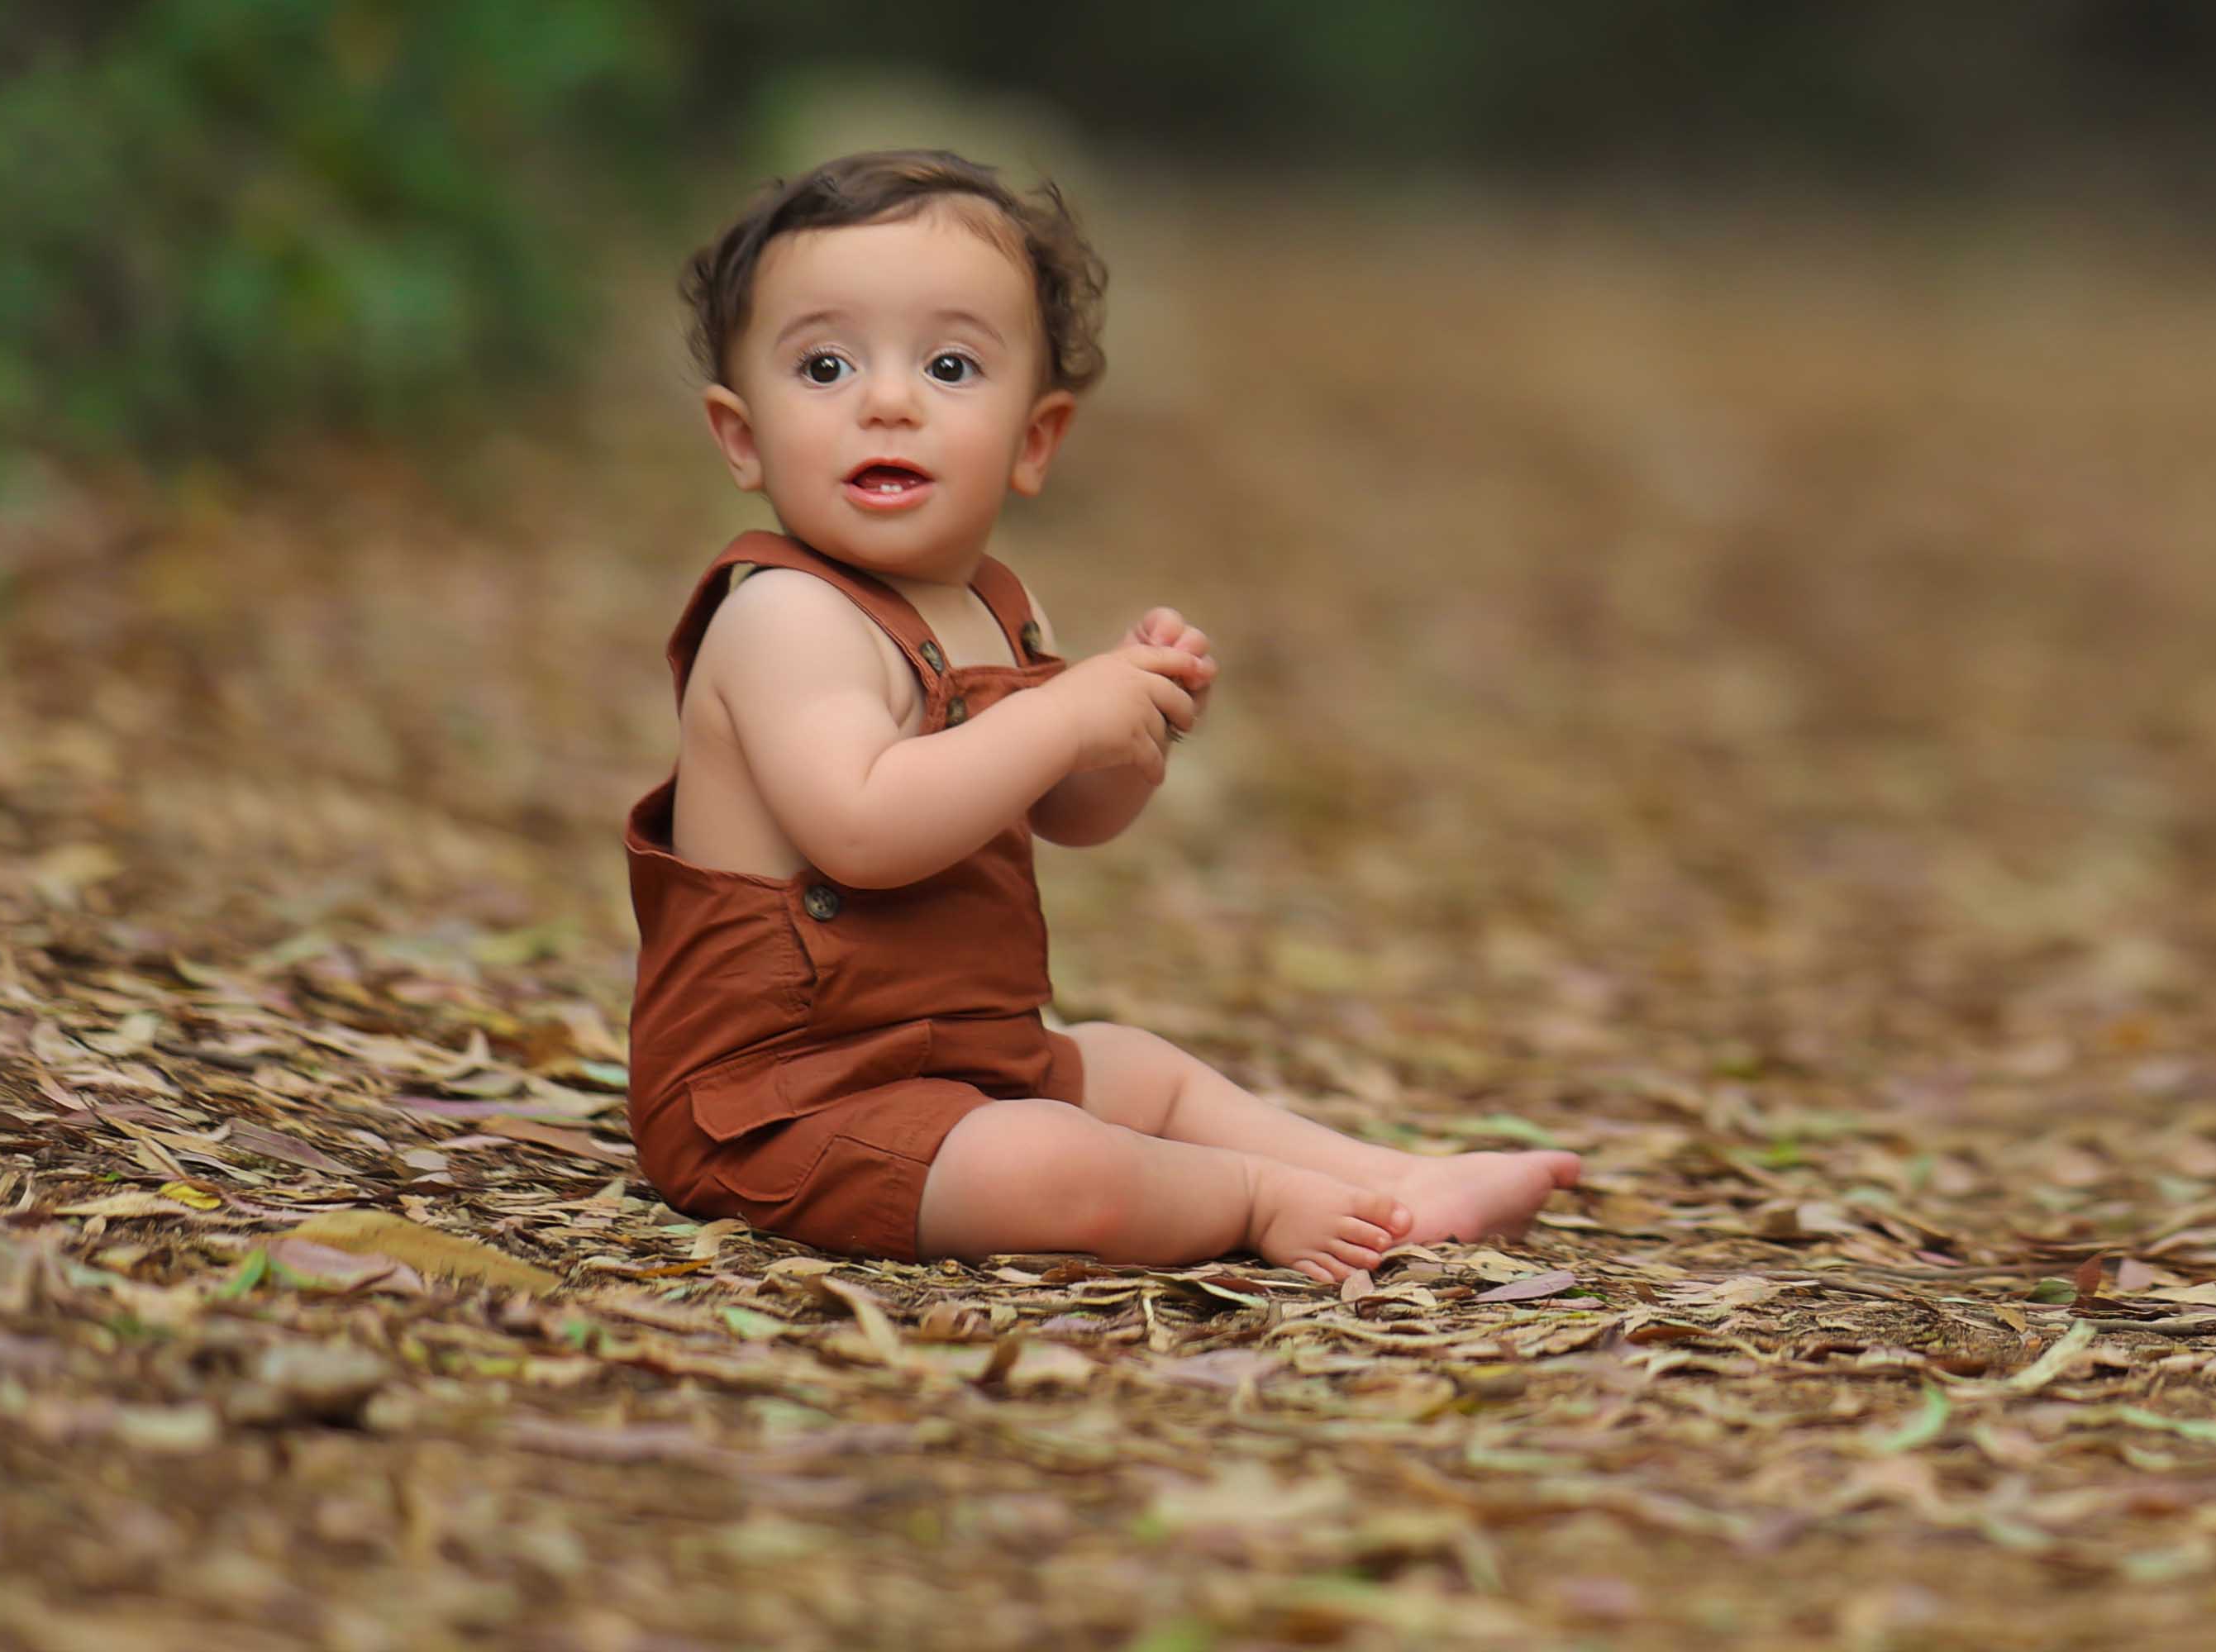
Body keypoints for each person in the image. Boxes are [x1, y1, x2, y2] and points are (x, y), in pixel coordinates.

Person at [622, 149, 1580, 1275]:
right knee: (1053, 1165)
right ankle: (1254, 1199)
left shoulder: (992, 606)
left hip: (954, 1059)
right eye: (825, 366)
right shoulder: (782, 617)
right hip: (780, 1104)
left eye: (948, 366)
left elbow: (1069, 813)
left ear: (1033, 442)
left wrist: (1132, 731)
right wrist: (1068, 716)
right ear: (742, 438)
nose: (887, 401)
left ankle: (1394, 1182)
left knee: (1139, 1071)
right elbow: (864, 831)